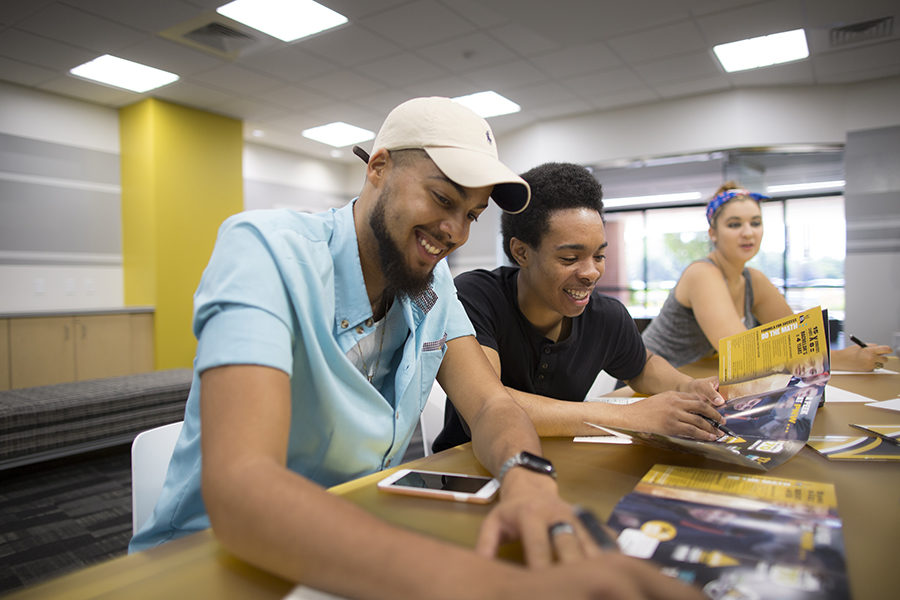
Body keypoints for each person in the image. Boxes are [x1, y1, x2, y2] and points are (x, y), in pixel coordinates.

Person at [128, 99, 702, 600]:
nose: (454, 230)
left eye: (472, 214)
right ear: (378, 167)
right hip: (208, 562)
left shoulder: (433, 284)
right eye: (442, 198)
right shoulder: (264, 250)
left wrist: (529, 479)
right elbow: (241, 491)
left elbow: (491, 406)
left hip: (347, 540)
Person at [433, 162, 726, 453]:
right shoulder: (477, 297)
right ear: (521, 252)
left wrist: (687, 387)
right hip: (471, 466)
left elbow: (643, 366)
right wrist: (630, 416)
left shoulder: (606, 316)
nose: (591, 273)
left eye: (598, 256)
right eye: (570, 258)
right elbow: (489, 405)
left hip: (560, 462)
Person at [642, 182, 891, 371]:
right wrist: (840, 358)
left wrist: (840, 357)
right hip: (647, 384)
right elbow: (741, 355)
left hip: (698, 377)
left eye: (756, 222)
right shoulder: (702, 274)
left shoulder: (753, 280)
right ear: (713, 233)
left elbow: (796, 341)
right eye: (735, 224)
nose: (748, 233)